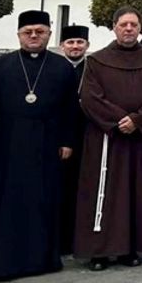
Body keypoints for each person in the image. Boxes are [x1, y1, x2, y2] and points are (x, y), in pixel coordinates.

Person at [0, 11, 79, 281]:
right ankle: (3, 260)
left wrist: (68, 141)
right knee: (6, 201)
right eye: (28, 32)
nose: (34, 36)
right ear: (19, 34)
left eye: (40, 31)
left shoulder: (62, 67)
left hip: (48, 142)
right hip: (8, 142)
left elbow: (71, 110)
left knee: (45, 200)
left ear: (49, 34)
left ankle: (43, 259)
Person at [74, 6, 142, 271]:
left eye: (133, 25)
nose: (129, 29)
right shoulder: (97, 60)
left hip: (139, 139)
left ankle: (130, 248)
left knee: (136, 193)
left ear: (140, 29)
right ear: (114, 26)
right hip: (106, 138)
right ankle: (99, 251)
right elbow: (90, 97)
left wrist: (137, 120)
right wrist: (118, 121)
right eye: (124, 24)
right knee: (103, 192)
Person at [57, 24, 89, 256]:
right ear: (62, 46)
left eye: (80, 42)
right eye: (71, 42)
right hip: (58, 138)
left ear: (87, 46)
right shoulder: (53, 67)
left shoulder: (94, 68)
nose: (75, 46)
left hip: (87, 136)